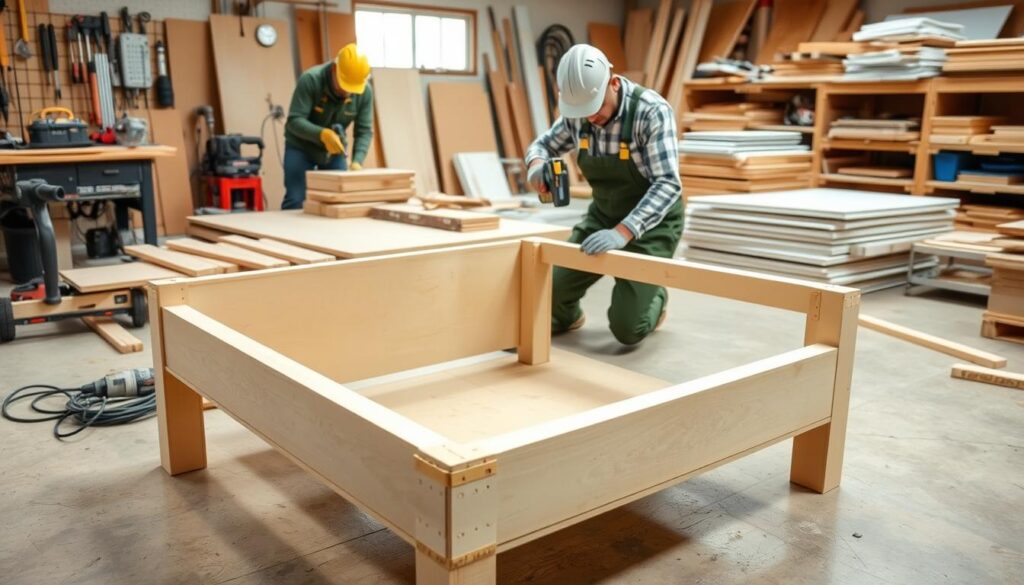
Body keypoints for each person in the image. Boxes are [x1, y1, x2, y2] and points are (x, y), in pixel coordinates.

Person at [525, 44, 682, 345]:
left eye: (596, 108)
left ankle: (656, 294)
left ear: (612, 83)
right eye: (582, 112)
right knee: (551, 295)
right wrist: (536, 166)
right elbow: (542, 145)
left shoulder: (651, 111)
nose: (590, 118)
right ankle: (570, 316)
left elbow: (668, 184)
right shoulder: (579, 112)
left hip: (652, 224)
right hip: (604, 214)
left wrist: (624, 232)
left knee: (627, 329)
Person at [281, 43, 374, 210]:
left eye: (352, 89)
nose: (348, 93)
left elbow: (364, 131)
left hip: (334, 150)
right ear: (334, 69)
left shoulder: (364, 92)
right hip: (301, 146)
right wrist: (321, 134)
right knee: (296, 199)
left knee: (338, 201)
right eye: (344, 86)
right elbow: (294, 121)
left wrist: (357, 161)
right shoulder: (311, 80)